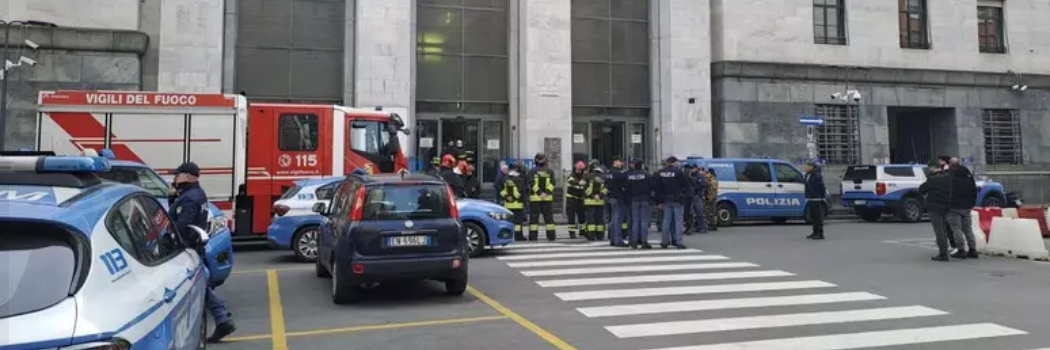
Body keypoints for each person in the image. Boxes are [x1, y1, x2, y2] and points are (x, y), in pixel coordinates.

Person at [169, 162, 236, 342]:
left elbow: (182, 225)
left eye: (179, 174)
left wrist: (169, 237)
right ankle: (222, 318)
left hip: (188, 247)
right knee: (201, 284)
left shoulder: (189, 198)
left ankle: (222, 319)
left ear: (189, 177)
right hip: (194, 246)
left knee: (195, 285)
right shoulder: (196, 193)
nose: (175, 177)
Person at [919, 159, 954, 261]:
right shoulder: (948, 177)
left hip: (934, 207)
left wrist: (929, 177)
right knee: (943, 229)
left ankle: (943, 253)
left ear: (932, 168)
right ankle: (946, 249)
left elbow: (921, 189)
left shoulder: (932, 179)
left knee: (939, 231)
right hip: (946, 206)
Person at [655, 156, 692, 249]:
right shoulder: (678, 172)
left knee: (666, 221)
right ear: (674, 163)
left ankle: (665, 241)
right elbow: (686, 185)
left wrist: (659, 201)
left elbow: (658, 188)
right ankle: (679, 242)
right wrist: (684, 196)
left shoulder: (661, 173)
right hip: (677, 200)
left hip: (666, 200)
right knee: (678, 221)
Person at [946, 159, 980, 259]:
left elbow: (947, 191)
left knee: (957, 229)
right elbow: (974, 190)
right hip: (967, 206)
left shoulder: (949, 175)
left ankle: (961, 250)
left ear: (950, 165)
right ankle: (973, 249)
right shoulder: (968, 175)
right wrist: (972, 203)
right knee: (968, 228)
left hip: (954, 206)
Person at [526, 153, 557, 241]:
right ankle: (551, 236)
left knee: (534, 219)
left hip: (535, 198)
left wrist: (540, 193)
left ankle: (533, 237)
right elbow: (553, 183)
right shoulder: (550, 171)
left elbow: (531, 184)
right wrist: (546, 193)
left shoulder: (532, 171)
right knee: (549, 218)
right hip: (547, 198)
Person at [625, 158, 654, 249]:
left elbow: (626, 188)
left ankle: (634, 242)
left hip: (634, 199)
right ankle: (644, 241)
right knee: (644, 222)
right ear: (642, 165)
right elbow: (652, 187)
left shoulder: (630, 176)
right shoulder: (647, 175)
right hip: (645, 199)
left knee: (635, 221)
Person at [501, 162, 528, 241]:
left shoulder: (505, 178)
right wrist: (524, 203)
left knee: (507, 221)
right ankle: (518, 237)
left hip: (507, 205)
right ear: (516, 169)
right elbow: (522, 192)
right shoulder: (520, 179)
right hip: (517, 205)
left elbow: (501, 190)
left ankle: (506, 236)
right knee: (518, 223)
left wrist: (507, 197)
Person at [604, 157, 628, 246]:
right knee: (618, 220)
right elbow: (624, 184)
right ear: (615, 162)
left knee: (613, 219)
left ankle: (612, 239)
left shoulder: (608, 173)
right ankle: (618, 240)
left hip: (611, 197)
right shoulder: (617, 174)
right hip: (618, 198)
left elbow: (606, 184)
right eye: (620, 162)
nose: (622, 164)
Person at [803, 161, 827, 240]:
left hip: (816, 198)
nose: (805, 167)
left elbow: (821, 186)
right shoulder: (807, 175)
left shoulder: (816, 175)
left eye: (807, 166)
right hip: (810, 198)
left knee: (817, 217)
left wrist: (822, 195)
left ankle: (820, 234)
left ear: (811, 167)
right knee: (813, 216)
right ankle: (814, 232)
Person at [565, 161, 588, 239]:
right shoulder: (572, 175)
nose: (578, 171)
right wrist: (579, 183)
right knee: (571, 216)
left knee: (582, 216)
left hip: (581, 199)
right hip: (572, 199)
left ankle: (582, 231)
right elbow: (571, 181)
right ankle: (572, 233)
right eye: (577, 169)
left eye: (580, 170)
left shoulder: (584, 176)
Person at [690, 166, 709, 234]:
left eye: (693, 168)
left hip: (697, 195)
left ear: (696, 169)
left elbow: (703, 185)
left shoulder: (700, 176)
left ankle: (703, 227)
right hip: (693, 195)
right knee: (693, 213)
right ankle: (698, 226)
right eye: (691, 168)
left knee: (699, 212)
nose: (692, 169)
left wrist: (700, 194)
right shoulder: (692, 175)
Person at [704, 167, 719, 232]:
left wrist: (710, 198)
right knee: (710, 212)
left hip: (711, 199)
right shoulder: (711, 179)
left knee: (711, 212)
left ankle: (713, 225)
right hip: (711, 198)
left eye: (708, 173)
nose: (707, 174)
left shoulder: (713, 180)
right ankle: (712, 224)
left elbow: (713, 191)